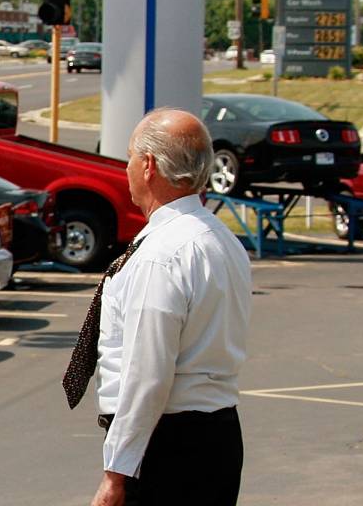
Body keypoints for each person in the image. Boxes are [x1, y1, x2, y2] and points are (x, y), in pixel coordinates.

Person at [62, 109, 253, 506]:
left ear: (148, 166)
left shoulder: (161, 255)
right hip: (216, 434)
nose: (127, 167)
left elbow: (147, 374)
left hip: (166, 444)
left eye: (131, 156)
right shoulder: (224, 240)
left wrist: (116, 473)